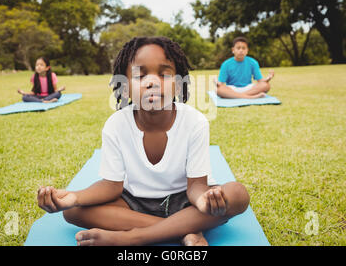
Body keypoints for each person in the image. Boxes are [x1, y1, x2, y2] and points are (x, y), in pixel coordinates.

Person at [36, 36, 250, 246]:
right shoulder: (116, 124)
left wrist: (205, 202)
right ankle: (186, 230)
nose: (152, 83)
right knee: (73, 211)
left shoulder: (195, 121)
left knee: (237, 194)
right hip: (133, 203)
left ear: (178, 85)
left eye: (164, 75)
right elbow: (111, 186)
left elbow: (196, 185)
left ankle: (134, 238)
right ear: (125, 86)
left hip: (185, 200)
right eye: (140, 76)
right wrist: (72, 197)